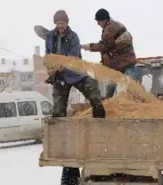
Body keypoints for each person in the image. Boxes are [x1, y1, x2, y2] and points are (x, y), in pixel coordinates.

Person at [45, 10, 106, 185]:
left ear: (67, 22)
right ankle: (60, 139)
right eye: (57, 23)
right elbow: (48, 53)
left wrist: (59, 65)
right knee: (58, 108)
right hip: (59, 77)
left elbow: (72, 57)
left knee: (94, 95)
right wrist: (50, 66)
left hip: (75, 73)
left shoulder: (74, 37)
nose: (60, 26)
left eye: (62, 23)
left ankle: (101, 122)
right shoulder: (50, 36)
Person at [81, 8, 141, 99]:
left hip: (124, 63)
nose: (98, 24)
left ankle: (110, 104)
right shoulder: (117, 24)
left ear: (105, 20)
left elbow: (103, 46)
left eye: (99, 21)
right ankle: (110, 102)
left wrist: (88, 47)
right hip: (125, 62)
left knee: (131, 90)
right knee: (130, 88)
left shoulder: (110, 28)